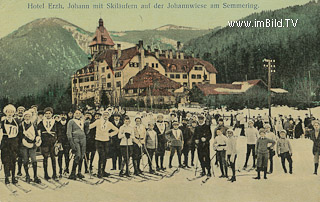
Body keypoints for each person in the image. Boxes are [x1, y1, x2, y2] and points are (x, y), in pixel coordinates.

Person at [89, 110, 118, 178]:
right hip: (98, 141)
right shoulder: (98, 121)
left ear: (108, 116)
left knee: (105, 156)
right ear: (102, 115)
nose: (105, 116)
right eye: (104, 115)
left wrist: (110, 134)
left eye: (107, 115)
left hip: (106, 141)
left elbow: (116, 130)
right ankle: (99, 172)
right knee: (101, 155)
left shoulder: (109, 123)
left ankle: (103, 171)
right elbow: (90, 126)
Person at [19, 110, 42, 183]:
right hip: (24, 145)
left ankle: (35, 176)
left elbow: (37, 134)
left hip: (32, 145)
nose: (27, 117)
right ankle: (27, 176)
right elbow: (20, 136)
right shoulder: (21, 125)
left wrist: (37, 139)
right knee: (25, 160)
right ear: (24, 117)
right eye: (26, 116)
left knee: (34, 160)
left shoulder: (33, 125)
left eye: (29, 116)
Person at [67, 109, 89, 180]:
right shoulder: (71, 121)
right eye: (76, 113)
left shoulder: (82, 121)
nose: (78, 114)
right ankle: (72, 173)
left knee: (82, 156)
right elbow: (69, 133)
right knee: (78, 155)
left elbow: (86, 132)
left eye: (79, 113)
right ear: (74, 114)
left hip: (83, 139)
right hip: (75, 139)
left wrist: (87, 126)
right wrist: (71, 143)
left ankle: (79, 172)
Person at [0, 104, 20, 184]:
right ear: (5, 112)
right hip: (5, 142)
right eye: (8, 112)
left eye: (11, 112)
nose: (10, 113)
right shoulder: (2, 122)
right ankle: (6, 177)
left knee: (13, 160)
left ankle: (13, 176)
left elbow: (19, 133)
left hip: (14, 143)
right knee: (5, 160)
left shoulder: (17, 121)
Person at [38, 107, 58, 180]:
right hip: (44, 142)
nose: (48, 115)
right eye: (46, 113)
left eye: (49, 113)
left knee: (53, 158)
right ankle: (46, 174)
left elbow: (58, 132)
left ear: (52, 114)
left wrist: (57, 141)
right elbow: (38, 131)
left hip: (52, 142)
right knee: (45, 157)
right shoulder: (41, 122)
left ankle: (55, 174)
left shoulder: (55, 122)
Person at [57, 112, 71, 177]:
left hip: (67, 142)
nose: (63, 116)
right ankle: (60, 169)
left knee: (67, 156)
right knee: (60, 156)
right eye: (62, 115)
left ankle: (67, 169)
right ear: (60, 116)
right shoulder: (57, 124)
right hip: (60, 142)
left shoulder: (69, 123)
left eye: (64, 115)